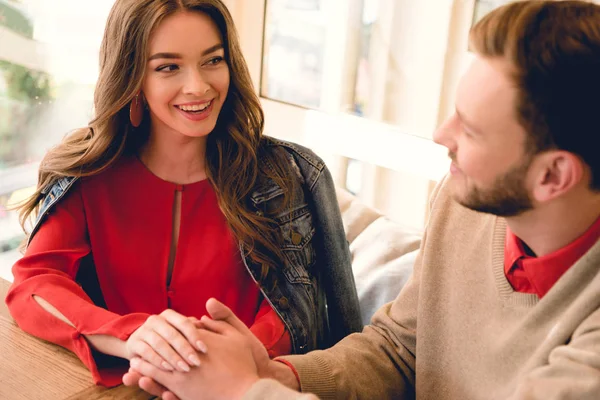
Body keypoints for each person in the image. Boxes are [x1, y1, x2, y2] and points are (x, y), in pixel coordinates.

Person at [123, 1, 600, 399]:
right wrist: (276, 374)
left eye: (470, 130)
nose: (441, 135)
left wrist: (243, 393)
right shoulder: (463, 204)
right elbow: (399, 349)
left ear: (553, 175)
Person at [4, 0, 362, 387]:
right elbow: (36, 284)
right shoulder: (89, 173)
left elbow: (298, 315)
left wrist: (206, 366)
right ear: (133, 76)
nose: (198, 86)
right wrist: (131, 337)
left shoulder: (283, 176)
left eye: (212, 60)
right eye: (168, 67)